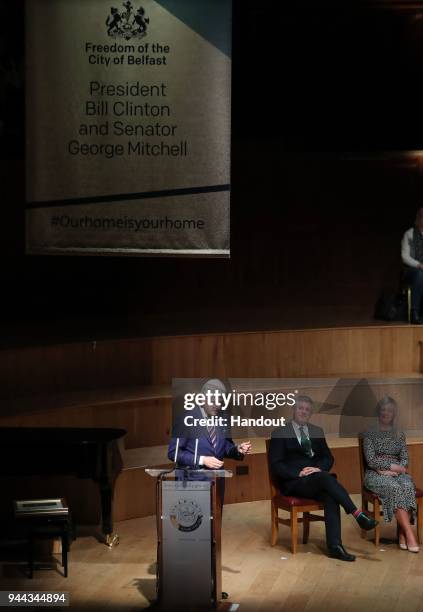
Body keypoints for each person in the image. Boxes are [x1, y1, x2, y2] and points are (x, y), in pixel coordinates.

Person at [269, 395, 378, 561]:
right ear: (294, 410)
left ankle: (335, 546)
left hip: (316, 479)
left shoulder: (316, 431)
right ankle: (357, 514)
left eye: (307, 410)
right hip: (294, 482)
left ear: (310, 413)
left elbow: (328, 457)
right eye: (300, 408)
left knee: (330, 494)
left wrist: (318, 468)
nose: (303, 412)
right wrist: (298, 472)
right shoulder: (279, 432)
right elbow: (276, 464)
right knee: (327, 480)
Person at [363, 396, 419, 552]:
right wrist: (388, 468)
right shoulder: (369, 433)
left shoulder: (399, 434)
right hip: (375, 474)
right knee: (393, 488)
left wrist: (396, 469)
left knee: (407, 485)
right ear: (378, 412)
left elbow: (405, 458)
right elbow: (371, 460)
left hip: (397, 473)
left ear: (394, 414)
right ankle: (409, 533)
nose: (386, 413)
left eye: (389, 410)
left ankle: (401, 532)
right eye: (383, 409)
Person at [168, 378, 252, 476]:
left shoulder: (222, 419)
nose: (217, 405)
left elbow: (224, 447)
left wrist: (237, 449)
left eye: (220, 401)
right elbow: (173, 452)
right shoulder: (186, 419)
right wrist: (202, 460)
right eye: (213, 400)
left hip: (216, 483)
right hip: (192, 482)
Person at [401, 206, 423, 324]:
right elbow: (405, 257)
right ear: (419, 218)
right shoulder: (409, 234)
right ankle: (414, 312)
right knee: (420, 275)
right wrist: (419, 265)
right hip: (411, 271)